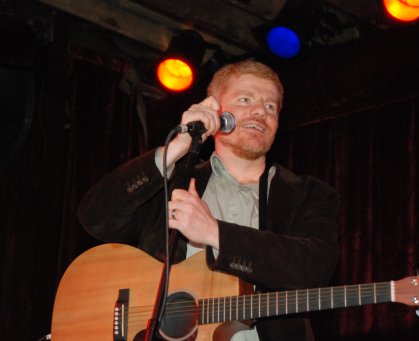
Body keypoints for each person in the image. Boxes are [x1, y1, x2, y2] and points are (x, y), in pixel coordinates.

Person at [78, 60, 339, 341]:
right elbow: (96, 218)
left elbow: (315, 270)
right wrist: (173, 150)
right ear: (214, 109)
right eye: (245, 99)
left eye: (271, 106)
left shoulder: (307, 195)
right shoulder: (175, 181)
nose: (260, 112)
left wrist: (215, 233)